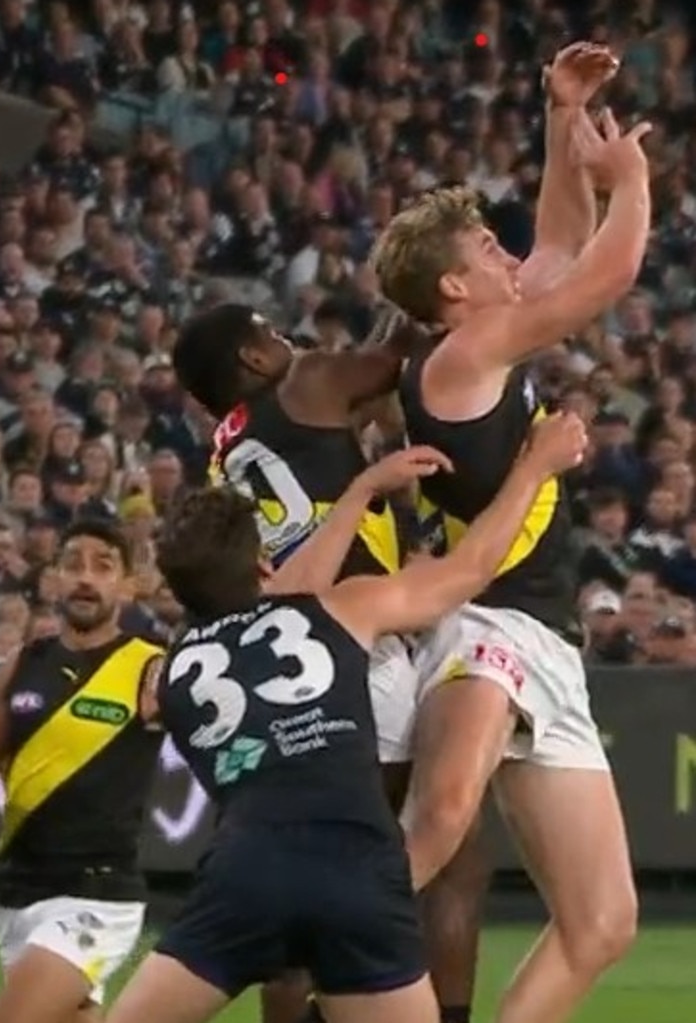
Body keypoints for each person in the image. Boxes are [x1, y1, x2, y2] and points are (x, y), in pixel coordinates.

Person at [106, 413, 588, 1023]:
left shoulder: (168, 676)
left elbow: (269, 601)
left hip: (244, 876)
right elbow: (470, 571)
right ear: (262, 564)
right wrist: (535, 467)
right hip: (358, 874)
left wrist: (360, 494)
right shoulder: (342, 609)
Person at [371, 59, 651, 1023]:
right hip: (488, 623)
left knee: (604, 920)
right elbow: (607, 267)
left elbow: (565, 242)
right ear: (454, 283)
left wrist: (561, 114)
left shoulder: (475, 341)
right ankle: (322, 938)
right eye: (490, 247)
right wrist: (633, 178)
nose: (509, 255)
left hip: (542, 639)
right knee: (440, 820)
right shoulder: (466, 351)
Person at [174, 302, 485, 1023]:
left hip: (283, 654)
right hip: (355, 642)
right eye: (274, 335)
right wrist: (408, 292)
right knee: (454, 860)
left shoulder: (228, 448)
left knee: (296, 884)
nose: (294, 342)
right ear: (253, 359)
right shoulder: (306, 381)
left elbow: (364, 387)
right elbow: (387, 364)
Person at [0, 519, 165, 1023]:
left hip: (97, 893)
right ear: (54, 579)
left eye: (103, 566)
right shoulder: (22, 665)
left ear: (129, 585)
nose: (85, 577)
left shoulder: (152, 667)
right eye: (73, 564)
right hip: (20, 892)